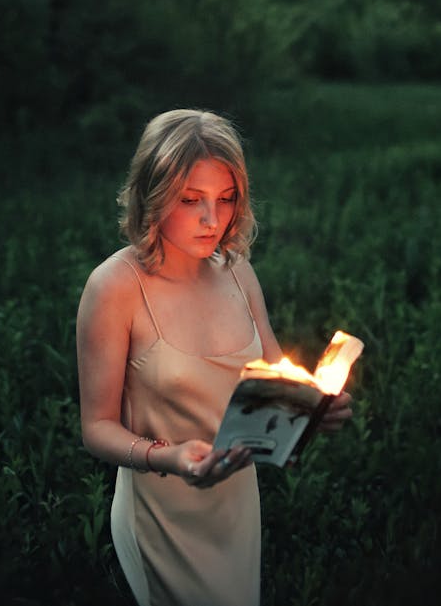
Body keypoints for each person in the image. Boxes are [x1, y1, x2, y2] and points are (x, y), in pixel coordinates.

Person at [76, 109, 353, 606]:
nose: (213, 219)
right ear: (152, 196)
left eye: (226, 200)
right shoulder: (114, 287)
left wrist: (314, 411)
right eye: (191, 200)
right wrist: (171, 459)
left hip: (236, 501)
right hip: (162, 507)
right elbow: (96, 427)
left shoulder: (237, 271)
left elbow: (273, 381)